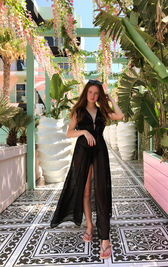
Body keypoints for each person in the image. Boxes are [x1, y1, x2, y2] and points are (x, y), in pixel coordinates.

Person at [50, 79, 124, 259]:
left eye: (96, 93)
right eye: (90, 92)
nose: (93, 96)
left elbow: (120, 116)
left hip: (99, 152)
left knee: (101, 191)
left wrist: (111, 99)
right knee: (84, 192)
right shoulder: (78, 111)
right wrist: (84, 132)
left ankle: (105, 239)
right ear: (86, 93)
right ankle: (90, 226)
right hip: (82, 151)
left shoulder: (102, 111)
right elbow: (69, 132)